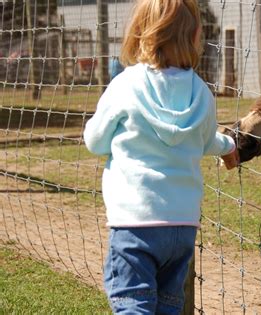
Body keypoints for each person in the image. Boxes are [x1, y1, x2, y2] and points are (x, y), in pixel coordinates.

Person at [83, 0, 239, 313]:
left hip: (135, 221)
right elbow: (206, 140)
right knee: (169, 305)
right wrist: (229, 146)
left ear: (140, 32)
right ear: (196, 35)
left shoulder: (125, 85)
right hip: (182, 225)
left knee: (132, 304)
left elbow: (95, 141)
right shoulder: (202, 93)